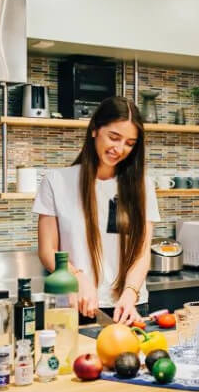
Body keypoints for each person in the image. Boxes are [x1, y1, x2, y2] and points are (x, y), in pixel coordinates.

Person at [34, 96, 161, 325]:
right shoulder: (57, 182)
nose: (120, 149)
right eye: (114, 137)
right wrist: (78, 278)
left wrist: (130, 294)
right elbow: (47, 249)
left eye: (130, 143)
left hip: (129, 306)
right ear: (94, 129)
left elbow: (142, 253)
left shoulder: (143, 186)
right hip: (76, 303)